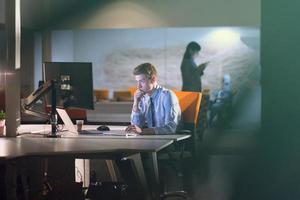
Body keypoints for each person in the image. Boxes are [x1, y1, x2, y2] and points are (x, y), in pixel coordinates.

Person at [125, 62, 181, 135]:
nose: (138, 86)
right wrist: (136, 103)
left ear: (153, 79)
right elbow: (136, 126)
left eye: (142, 81)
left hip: (168, 141)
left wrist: (142, 132)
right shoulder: (142, 97)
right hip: (151, 139)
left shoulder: (167, 96)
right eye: (137, 82)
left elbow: (170, 128)